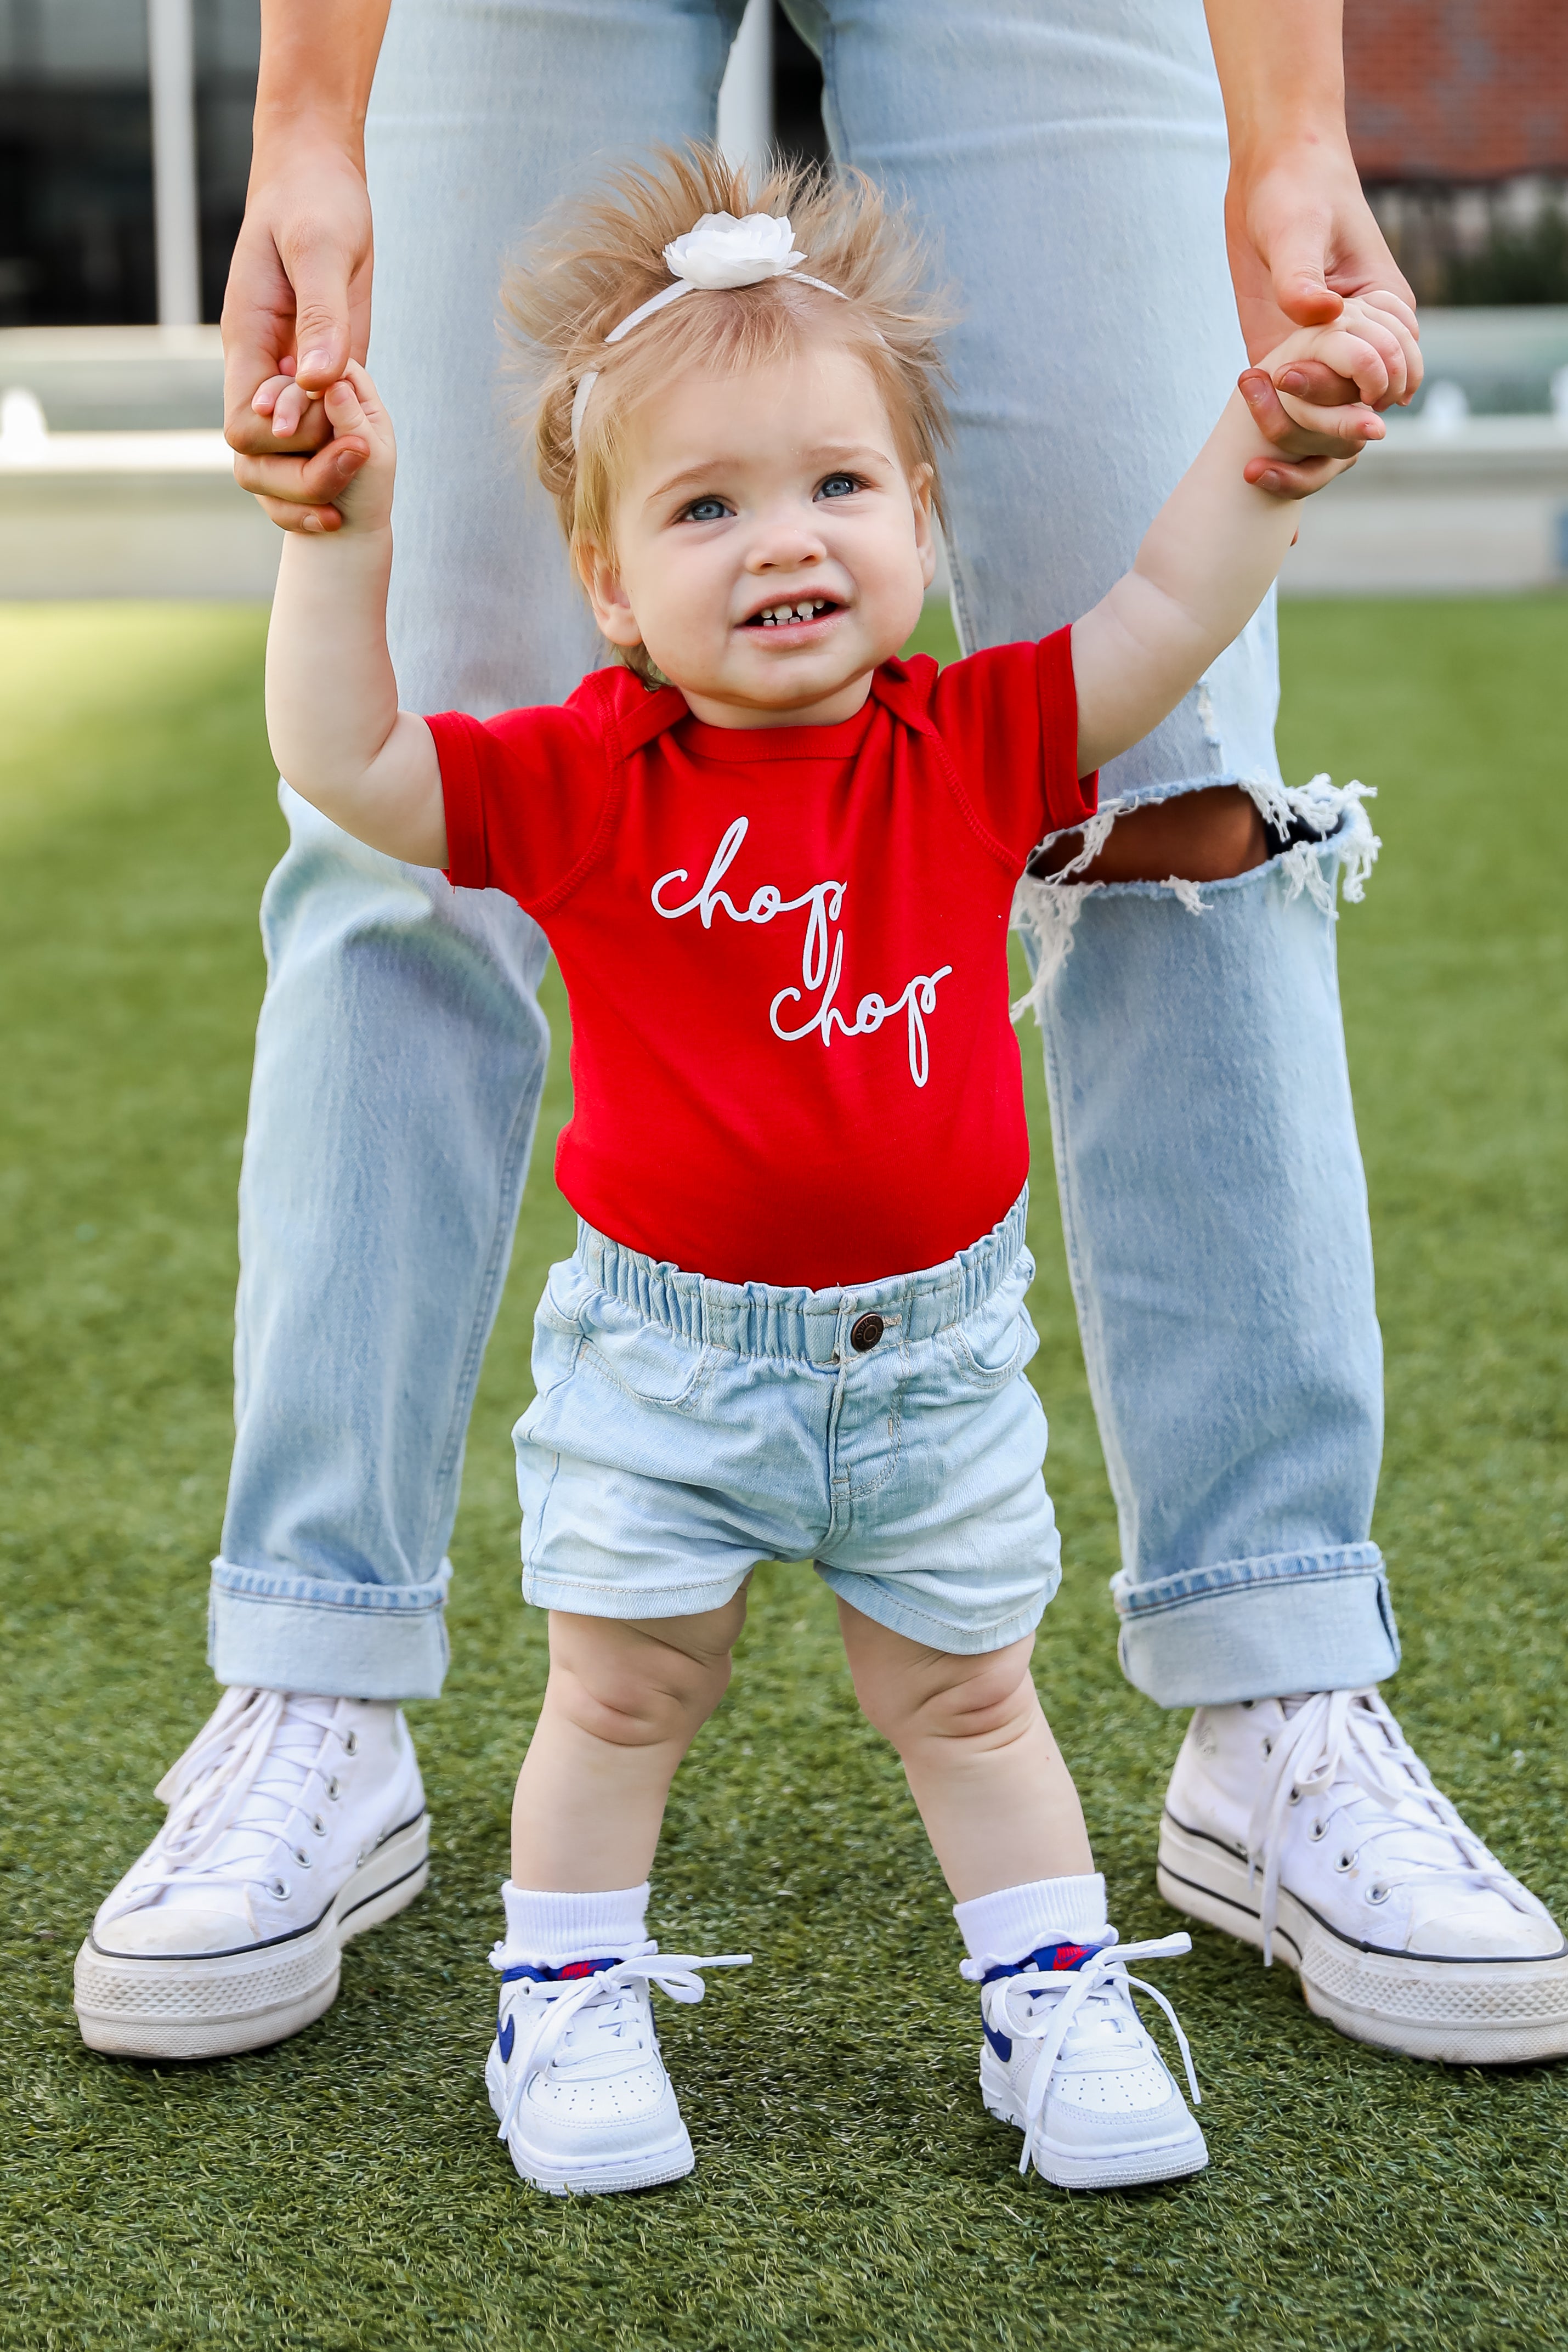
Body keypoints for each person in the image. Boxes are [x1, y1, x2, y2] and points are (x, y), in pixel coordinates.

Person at [73, 0, 1568, 2077]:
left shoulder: (967, 733)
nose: (780, 545)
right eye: (699, 526)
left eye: (842, 496)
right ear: (628, 579)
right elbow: (363, 756)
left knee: (1191, 796)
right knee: (398, 840)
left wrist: (1295, 130)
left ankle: (1278, 1682)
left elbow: (1158, 620)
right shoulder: (603, 742)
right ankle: (316, 1682)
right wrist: (313, 118)